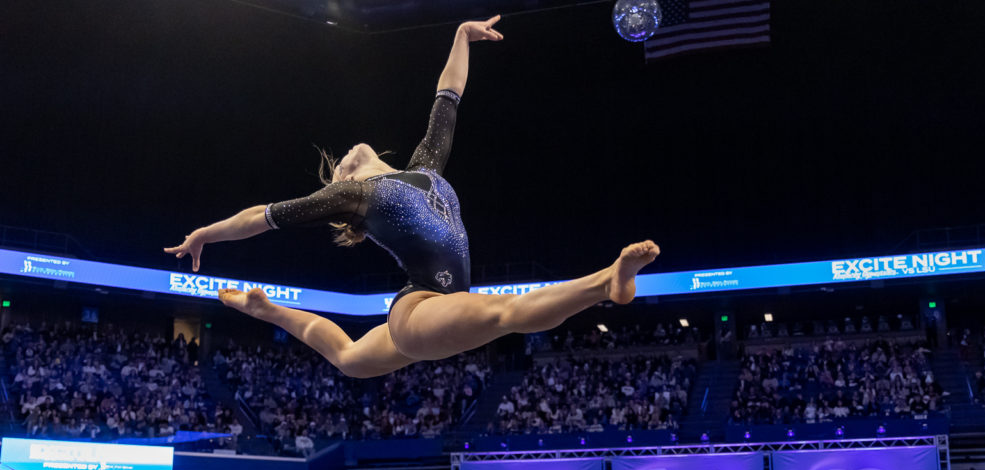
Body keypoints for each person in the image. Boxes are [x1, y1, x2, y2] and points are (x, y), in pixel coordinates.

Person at [165, 16, 660, 384]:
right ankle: (605, 283)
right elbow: (261, 217)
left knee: (351, 359)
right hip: (424, 307)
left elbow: (447, 98)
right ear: (342, 180)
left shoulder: (424, 168)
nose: (343, 160)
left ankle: (267, 310)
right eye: (337, 167)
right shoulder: (355, 196)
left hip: (431, 313)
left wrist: (461, 37)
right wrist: (206, 234)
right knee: (504, 312)